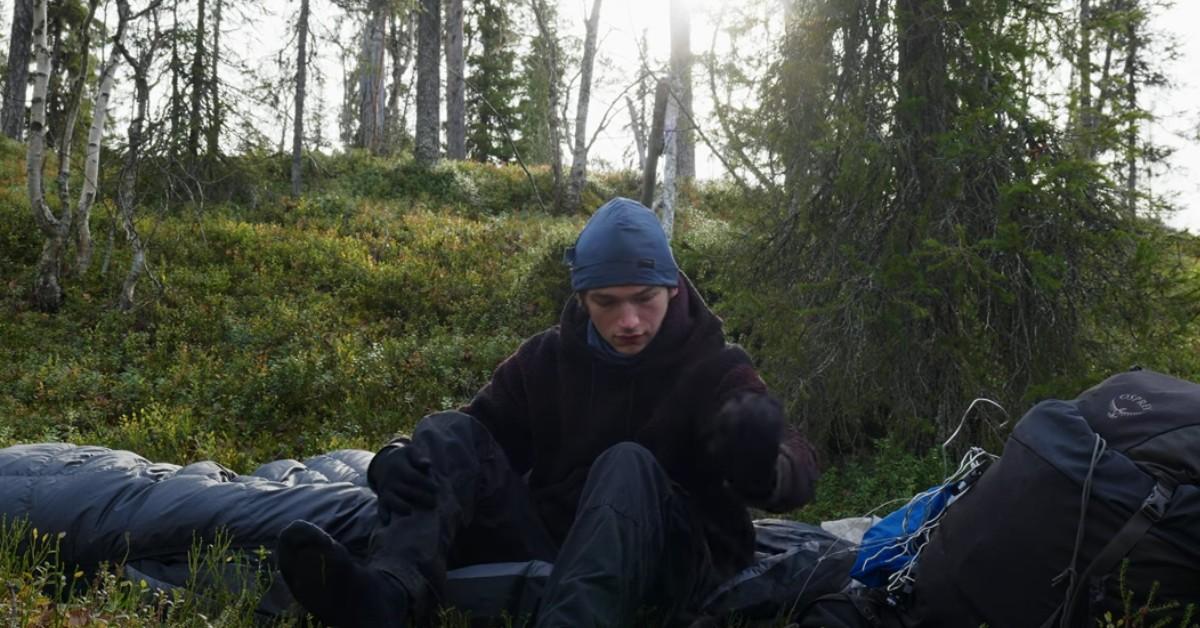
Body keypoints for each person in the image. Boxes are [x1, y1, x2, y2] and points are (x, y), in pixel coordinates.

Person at [276, 197, 820, 627]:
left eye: (644, 298)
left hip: (670, 562)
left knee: (626, 462)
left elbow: (795, 464)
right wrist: (391, 458)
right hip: (559, 542)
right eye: (607, 302)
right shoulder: (546, 359)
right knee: (449, 432)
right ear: (582, 297)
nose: (629, 319)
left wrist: (760, 466)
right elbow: (475, 434)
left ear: (673, 289)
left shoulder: (716, 366)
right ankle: (390, 594)